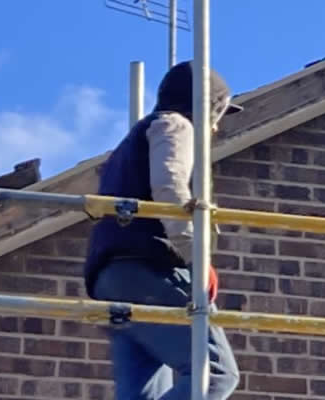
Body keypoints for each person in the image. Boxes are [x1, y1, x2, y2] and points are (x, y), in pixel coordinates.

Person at [83, 60, 245, 400]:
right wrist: (195, 255)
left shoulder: (129, 146)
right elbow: (169, 187)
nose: (216, 127)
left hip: (111, 277)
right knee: (215, 373)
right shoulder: (174, 125)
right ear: (202, 107)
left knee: (140, 395)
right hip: (148, 269)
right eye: (216, 113)